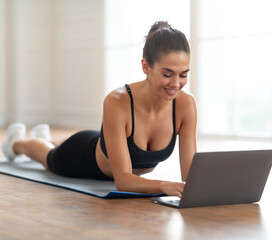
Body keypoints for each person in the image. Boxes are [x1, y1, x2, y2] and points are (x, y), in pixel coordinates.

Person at [1, 21, 197, 198]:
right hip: (82, 157)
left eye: (183, 74)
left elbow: (191, 178)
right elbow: (123, 181)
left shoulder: (186, 105)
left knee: (58, 144)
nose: (176, 84)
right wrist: (165, 185)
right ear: (146, 66)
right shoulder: (117, 100)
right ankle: (17, 143)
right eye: (167, 74)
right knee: (48, 156)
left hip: (104, 141)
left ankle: (45, 137)